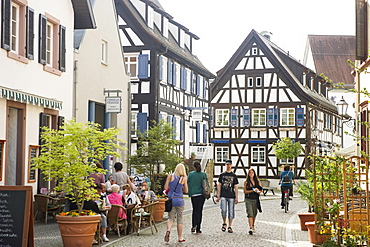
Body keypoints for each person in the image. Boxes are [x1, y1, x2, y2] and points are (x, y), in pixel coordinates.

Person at [164, 164, 188, 243]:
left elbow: (165, 188)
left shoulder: (170, 176)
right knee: (180, 219)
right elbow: (186, 191)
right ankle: (180, 237)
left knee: (171, 218)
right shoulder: (183, 178)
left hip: (171, 200)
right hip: (180, 200)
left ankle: (168, 230)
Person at [216, 159, 239, 233]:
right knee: (223, 210)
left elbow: (236, 187)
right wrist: (218, 195)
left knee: (231, 211)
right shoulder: (222, 175)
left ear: (231, 165)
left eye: (229, 164)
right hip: (223, 195)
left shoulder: (234, 176)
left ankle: (230, 226)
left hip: (231, 195)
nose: (228, 166)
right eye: (227, 164)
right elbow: (219, 185)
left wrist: (237, 197)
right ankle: (224, 223)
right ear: (225, 165)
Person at [187, 161, 208, 234]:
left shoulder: (190, 174)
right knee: (199, 211)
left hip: (193, 195)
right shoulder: (203, 175)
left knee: (194, 210)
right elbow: (207, 185)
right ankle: (198, 228)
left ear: (193, 167)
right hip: (201, 195)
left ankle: (193, 225)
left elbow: (188, 183)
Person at [243, 169, 262, 235]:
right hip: (248, 199)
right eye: (250, 173)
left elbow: (261, 190)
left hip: (255, 199)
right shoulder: (246, 182)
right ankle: (250, 228)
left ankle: (253, 225)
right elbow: (245, 191)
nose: (251, 174)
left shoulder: (257, 181)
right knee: (250, 213)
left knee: (254, 213)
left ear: (254, 173)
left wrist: (258, 191)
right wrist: (252, 191)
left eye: (252, 172)